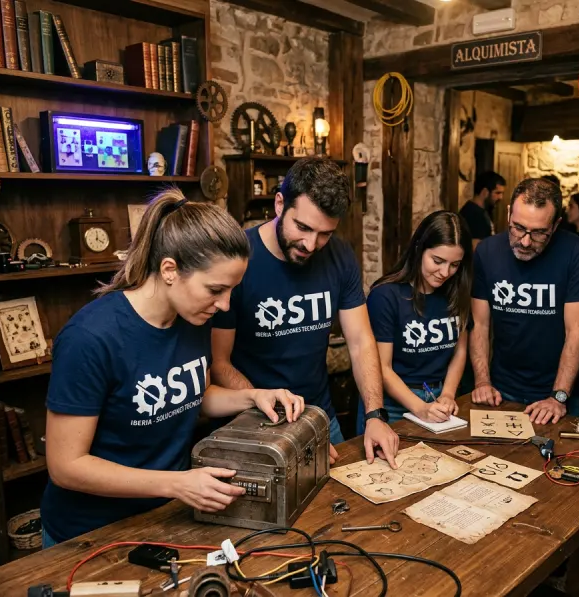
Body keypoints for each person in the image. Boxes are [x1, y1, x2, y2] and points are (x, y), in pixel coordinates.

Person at [41, 188, 304, 548]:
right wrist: (176, 483)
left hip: (163, 516)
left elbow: (193, 395)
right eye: (215, 289)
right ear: (169, 270)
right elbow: (66, 466)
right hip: (88, 533)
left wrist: (253, 396)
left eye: (231, 290)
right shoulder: (90, 338)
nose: (225, 305)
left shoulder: (192, 318)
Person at [212, 157, 399, 466]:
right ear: (279, 204)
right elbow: (219, 363)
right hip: (256, 420)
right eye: (302, 227)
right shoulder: (239, 259)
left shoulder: (340, 256)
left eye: (325, 234)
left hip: (319, 417)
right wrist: (277, 413)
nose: (311, 244)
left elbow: (361, 341)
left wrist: (375, 415)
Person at [470, 178, 579, 423]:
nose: (525, 241)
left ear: (556, 224)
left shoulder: (577, 254)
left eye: (539, 232)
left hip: (559, 394)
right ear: (509, 213)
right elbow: (479, 324)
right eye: (518, 228)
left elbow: (577, 332)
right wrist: (482, 382)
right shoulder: (486, 252)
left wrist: (558, 396)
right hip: (501, 390)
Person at [356, 211, 473, 434]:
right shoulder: (386, 296)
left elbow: (460, 350)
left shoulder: (457, 291)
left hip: (438, 396)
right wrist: (420, 408)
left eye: (455, 264)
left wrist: (448, 394)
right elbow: (382, 367)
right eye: (437, 261)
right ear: (419, 248)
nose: (445, 272)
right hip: (391, 404)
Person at [459, 170, 505, 249]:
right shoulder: (473, 214)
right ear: (485, 192)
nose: (501, 197)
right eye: (497, 193)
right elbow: (476, 247)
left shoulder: (481, 211)